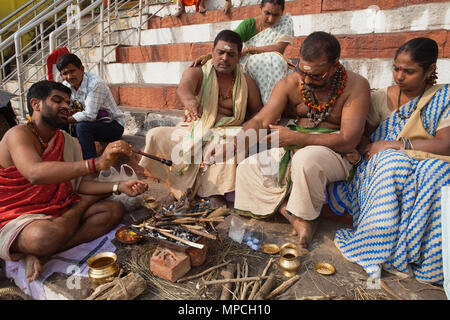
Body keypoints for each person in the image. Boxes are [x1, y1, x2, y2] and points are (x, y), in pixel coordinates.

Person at [226, 31, 370, 248]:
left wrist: (298, 138)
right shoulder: (291, 83)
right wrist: (231, 145)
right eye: (303, 72)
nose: (308, 80)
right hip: (292, 144)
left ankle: (306, 216)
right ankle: (295, 217)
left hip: (334, 150)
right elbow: (261, 121)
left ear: (334, 66)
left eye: (317, 75)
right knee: (248, 168)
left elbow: (348, 140)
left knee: (306, 160)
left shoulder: (356, 86)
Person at [327, 37, 450, 284]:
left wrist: (398, 144)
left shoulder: (443, 97)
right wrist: (360, 147)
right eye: (396, 68)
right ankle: (378, 247)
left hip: (426, 158)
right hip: (383, 164)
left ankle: (422, 256)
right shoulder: (381, 97)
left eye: (409, 71)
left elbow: (445, 144)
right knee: (391, 162)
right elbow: (363, 138)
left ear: (429, 71)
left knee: (438, 171)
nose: (399, 76)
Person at [0, 80, 148, 282]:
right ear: (36, 104)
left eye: (68, 102)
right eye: (57, 100)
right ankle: (48, 240)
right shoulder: (18, 134)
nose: (65, 106)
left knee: (112, 211)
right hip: (17, 216)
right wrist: (95, 164)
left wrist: (119, 186)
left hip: (58, 209)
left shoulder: (66, 140)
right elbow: (35, 172)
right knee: (43, 237)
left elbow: (78, 185)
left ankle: (41, 253)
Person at [138, 30, 262, 208]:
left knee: (227, 141)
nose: (225, 58)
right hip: (197, 127)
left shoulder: (246, 81)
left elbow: (258, 110)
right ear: (212, 52)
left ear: (238, 58)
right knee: (156, 134)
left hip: (228, 130)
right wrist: (190, 101)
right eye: (220, 52)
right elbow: (184, 87)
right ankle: (177, 188)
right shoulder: (199, 72)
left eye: (231, 54)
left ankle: (214, 192)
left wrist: (249, 126)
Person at [193, 0, 294, 105]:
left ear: (282, 13)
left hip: (275, 64)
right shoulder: (248, 25)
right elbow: (228, 44)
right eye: (267, 13)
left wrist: (250, 49)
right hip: (250, 65)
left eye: (276, 15)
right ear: (260, 9)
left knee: (275, 61)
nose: (271, 19)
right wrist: (209, 56)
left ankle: (272, 107)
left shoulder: (285, 22)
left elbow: (279, 48)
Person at [56, 53, 126, 160]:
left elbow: (90, 115)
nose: (69, 76)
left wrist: (66, 119)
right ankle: (59, 160)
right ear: (61, 75)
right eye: (65, 73)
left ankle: (90, 166)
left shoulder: (96, 84)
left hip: (112, 126)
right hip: (89, 124)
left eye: (72, 71)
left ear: (82, 69)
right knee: (55, 123)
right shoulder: (66, 86)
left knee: (82, 127)